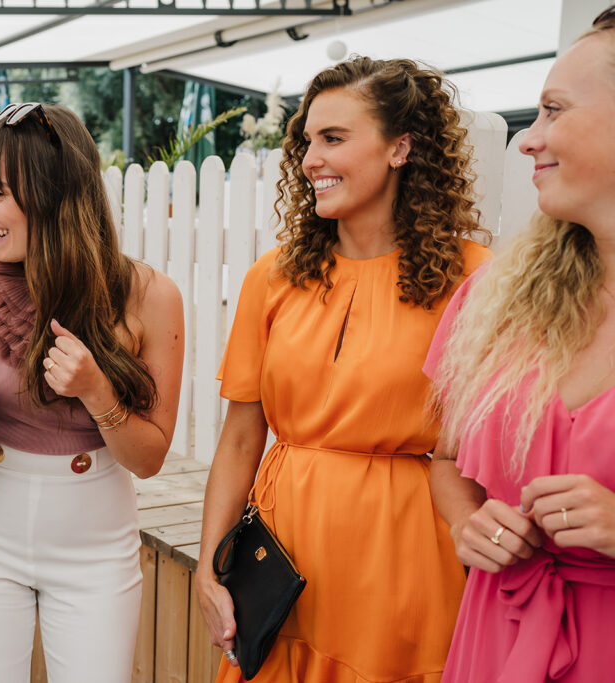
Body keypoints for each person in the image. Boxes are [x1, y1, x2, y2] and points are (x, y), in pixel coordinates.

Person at [194, 56, 492, 682]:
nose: (311, 160)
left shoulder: (473, 278)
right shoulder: (271, 277)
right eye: (308, 141)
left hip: (402, 556)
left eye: (334, 138)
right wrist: (207, 565)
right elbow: (242, 436)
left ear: (400, 148)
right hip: (279, 554)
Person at [0, 102, 184, 682]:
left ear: (56, 193)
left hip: (97, 543)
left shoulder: (151, 297)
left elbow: (149, 458)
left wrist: (96, 390)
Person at [428, 9, 615, 681]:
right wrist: (467, 523)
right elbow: (446, 458)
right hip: (496, 634)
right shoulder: (492, 300)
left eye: (553, 111)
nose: (528, 141)